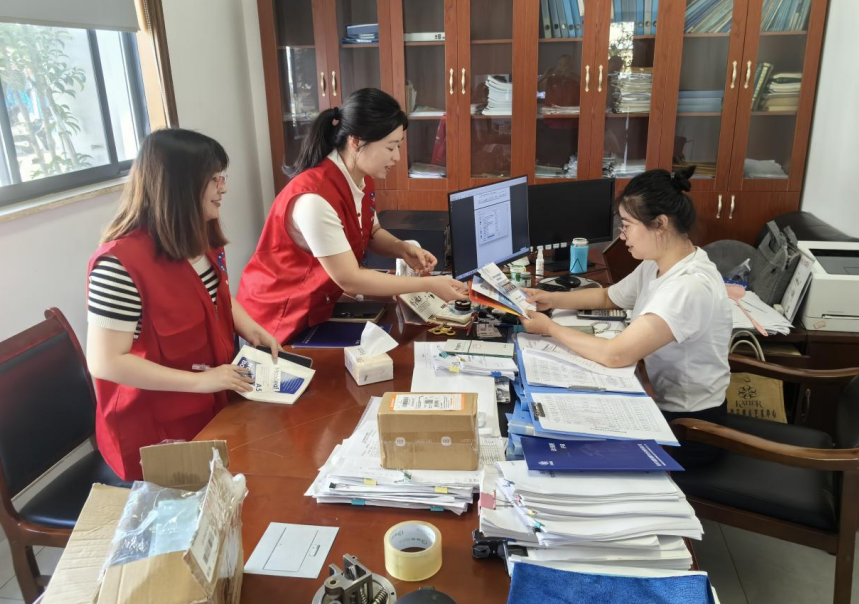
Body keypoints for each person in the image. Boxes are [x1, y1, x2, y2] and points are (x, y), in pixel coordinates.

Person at [86, 128, 281, 481]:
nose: (223, 188)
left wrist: (252, 329)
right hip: (157, 433)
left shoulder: (199, 235)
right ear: (180, 186)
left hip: (213, 409)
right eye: (214, 179)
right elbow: (105, 361)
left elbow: (216, 296)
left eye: (222, 177)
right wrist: (202, 382)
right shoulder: (119, 265)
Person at [521, 166, 732, 466]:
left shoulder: (688, 286)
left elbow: (615, 354)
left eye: (628, 225)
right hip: (658, 399)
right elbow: (608, 297)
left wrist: (550, 328)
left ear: (660, 224)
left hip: (688, 428)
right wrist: (551, 298)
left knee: (577, 447)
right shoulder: (659, 262)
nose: (622, 236)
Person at [237, 88, 468, 344]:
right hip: (275, 318)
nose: (397, 157)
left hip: (316, 307)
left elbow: (371, 231)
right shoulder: (315, 198)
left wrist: (402, 249)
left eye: (399, 146)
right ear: (356, 141)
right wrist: (429, 285)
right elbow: (351, 279)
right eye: (391, 147)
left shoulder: (359, 179)